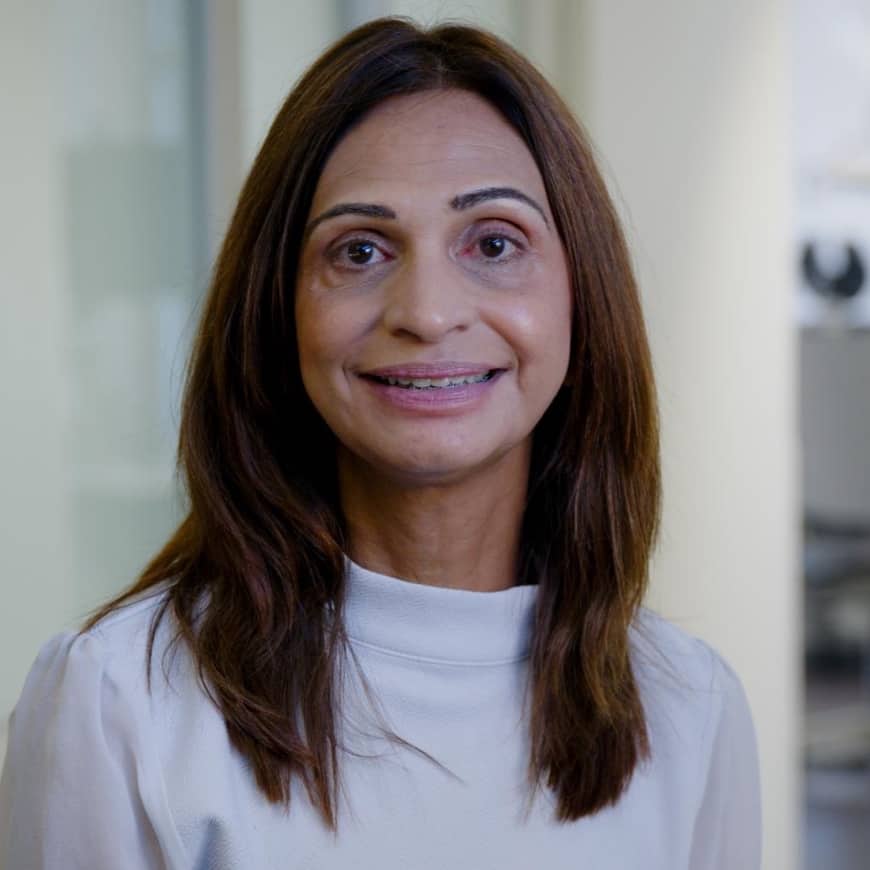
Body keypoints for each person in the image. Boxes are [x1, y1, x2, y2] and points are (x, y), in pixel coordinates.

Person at [0, 16, 761, 870]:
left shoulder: (689, 706)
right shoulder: (118, 704)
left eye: (496, 243)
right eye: (360, 250)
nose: (428, 312)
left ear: (582, 295)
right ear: (277, 310)